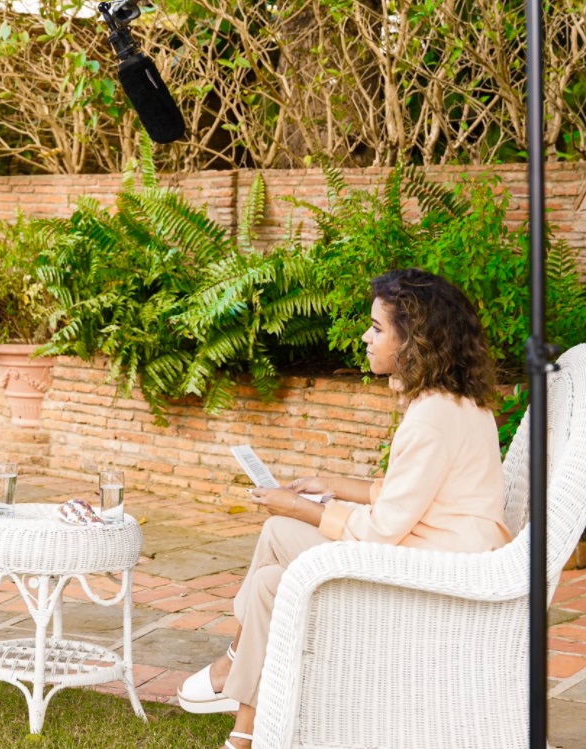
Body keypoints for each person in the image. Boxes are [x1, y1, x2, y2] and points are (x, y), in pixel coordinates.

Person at [176, 268, 514, 749]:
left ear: (413, 339)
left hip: (436, 573)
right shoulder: (449, 402)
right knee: (276, 532)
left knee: (276, 579)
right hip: (432, 545)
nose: (365, 336)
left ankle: (244, 729)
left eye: (377, 329)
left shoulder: (433, 418)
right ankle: (236, 662)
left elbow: (381, 532)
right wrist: (327, 485)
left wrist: (298, 506)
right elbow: (411, 494)